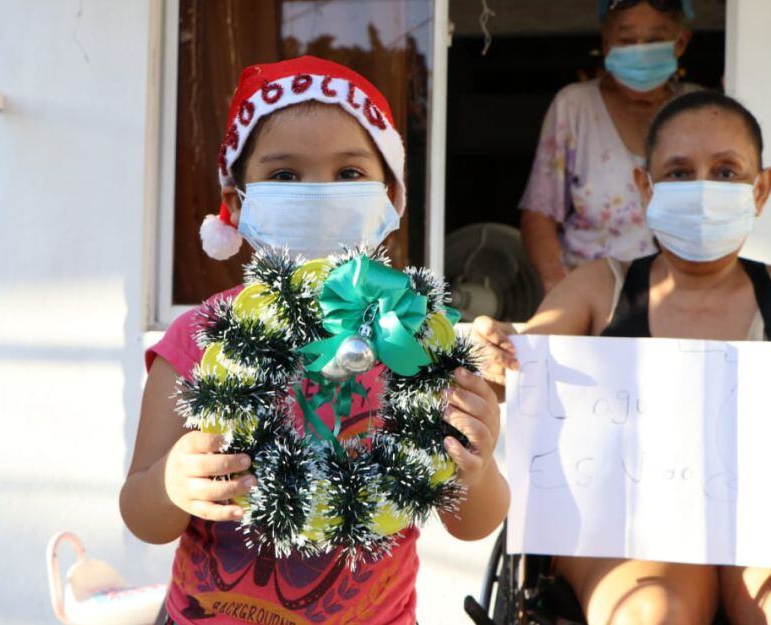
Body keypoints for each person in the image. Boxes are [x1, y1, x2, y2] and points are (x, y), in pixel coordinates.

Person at [119, 56, 509, 625]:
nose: (320, 194)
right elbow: (141, 515)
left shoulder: (417, 338)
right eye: (285, 176)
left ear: (390, 199)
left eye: (349, 174)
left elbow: (471, 523)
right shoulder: (201, 339)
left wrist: (480, 467)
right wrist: (170, 483)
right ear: (236, 203)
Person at [476, 91, 771, 624]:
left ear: (761, 189)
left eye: (725, 171)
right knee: (651, 611)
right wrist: (503, 352)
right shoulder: (597, 289)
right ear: (644, 187)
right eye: (678, 172)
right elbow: (529, 352)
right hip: (625, 532)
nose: (702, 189)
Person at [520, 0, 698, 293]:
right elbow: (539, 215)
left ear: (680, 43)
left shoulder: (700, 110)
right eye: (627, 40)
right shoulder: (574, 106)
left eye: (654, 40)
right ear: (607, 45)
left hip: (682, 301)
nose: (640, 50)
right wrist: (562, 293)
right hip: (593, 301)